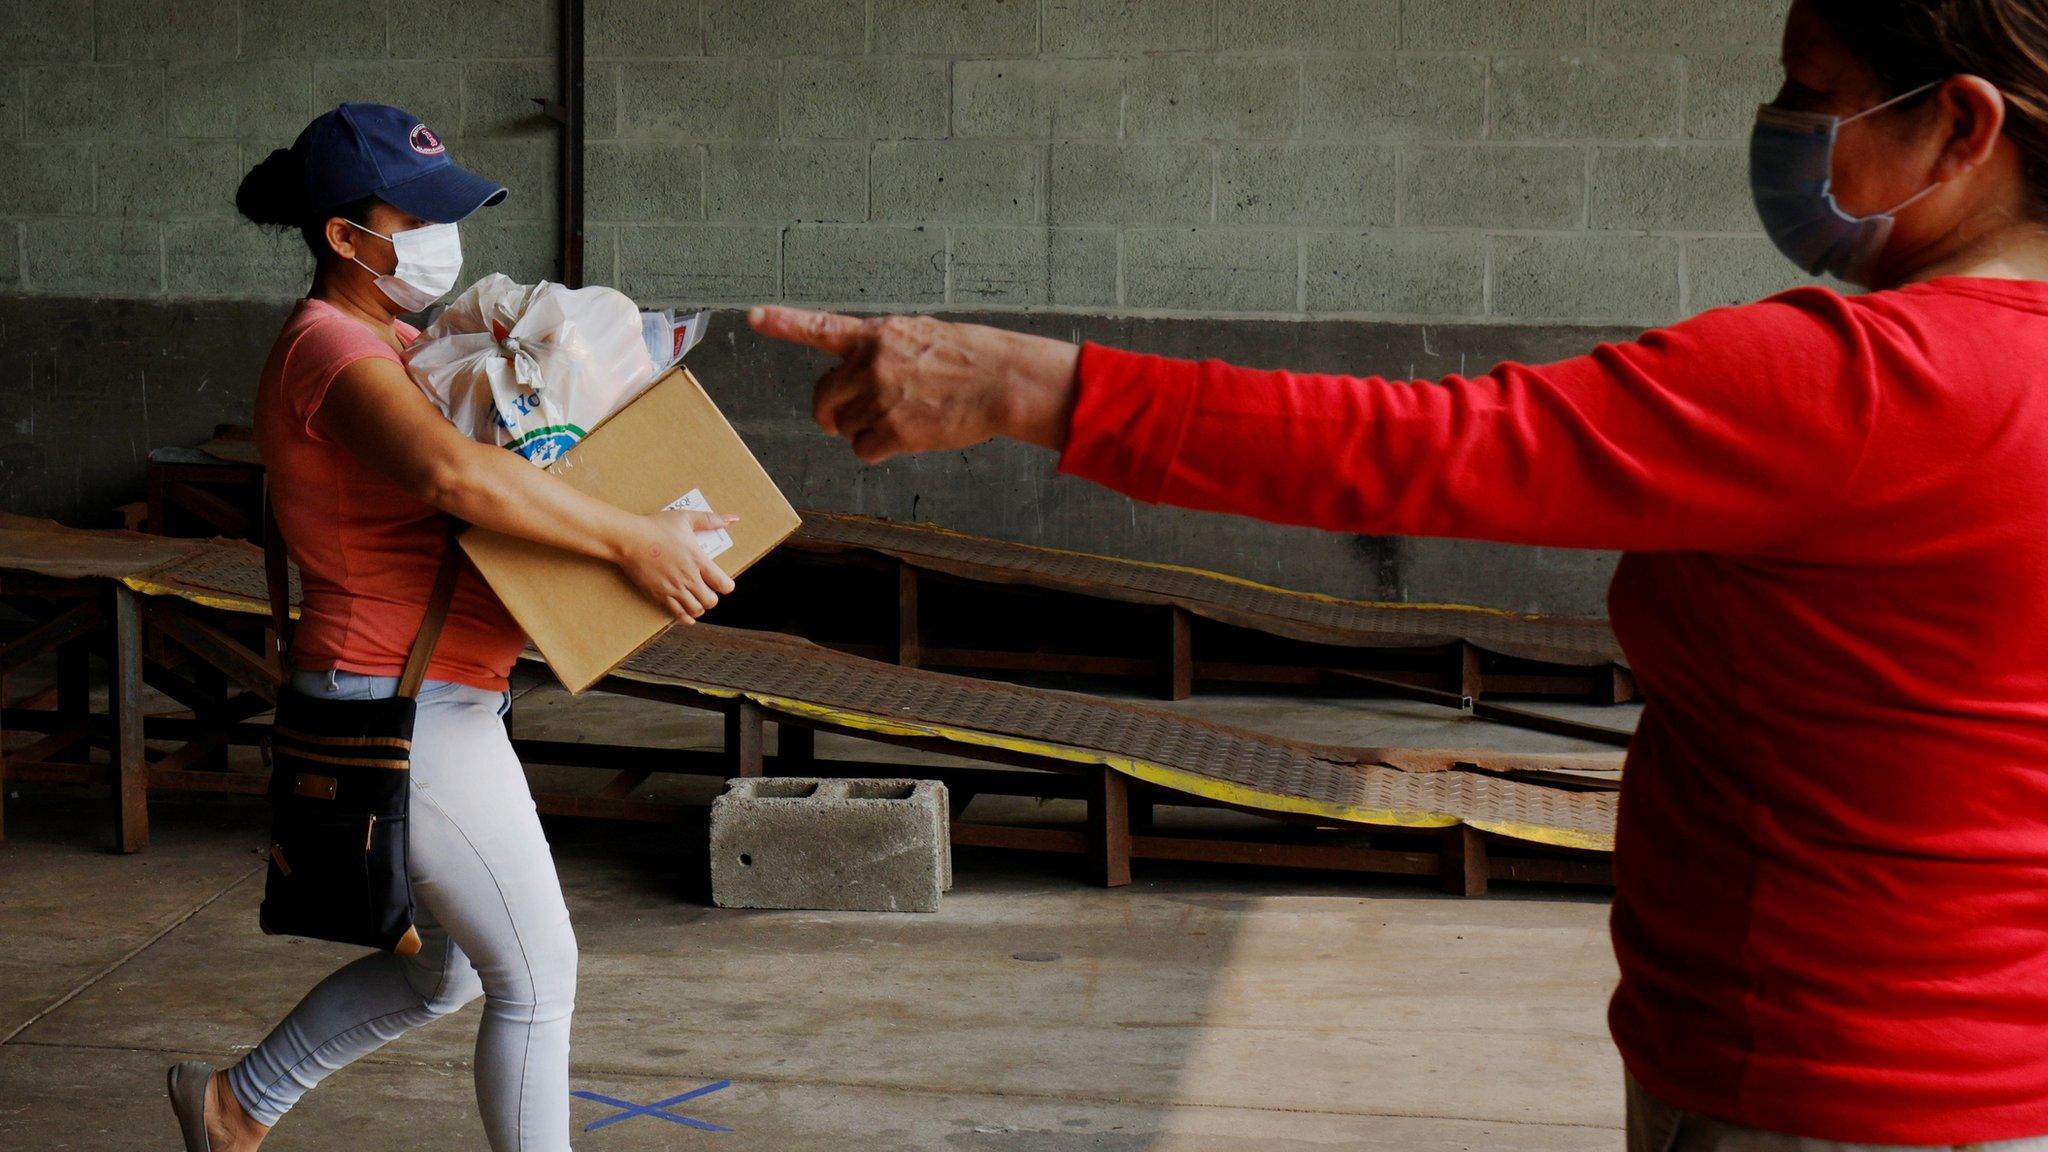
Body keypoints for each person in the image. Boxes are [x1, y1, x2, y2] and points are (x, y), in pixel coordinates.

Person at [748, 2, 2048, 1149]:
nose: (1780, 126)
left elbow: (1423, 450)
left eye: (1812, 93)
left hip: (1823, 1083)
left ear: (1960, 127)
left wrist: (1026, 386)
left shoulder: (1864, 380)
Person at [164, 103, 734, 1152]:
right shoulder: (330, 351)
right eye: (415, 215)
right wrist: (631, 542)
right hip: (397, 693)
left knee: (449, 971)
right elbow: (453, 476)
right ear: (344, 236)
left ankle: (236, 1106)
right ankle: (242, 1107)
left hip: (439, 686)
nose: (441, 237)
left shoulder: (401, 341)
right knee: (537, 977)